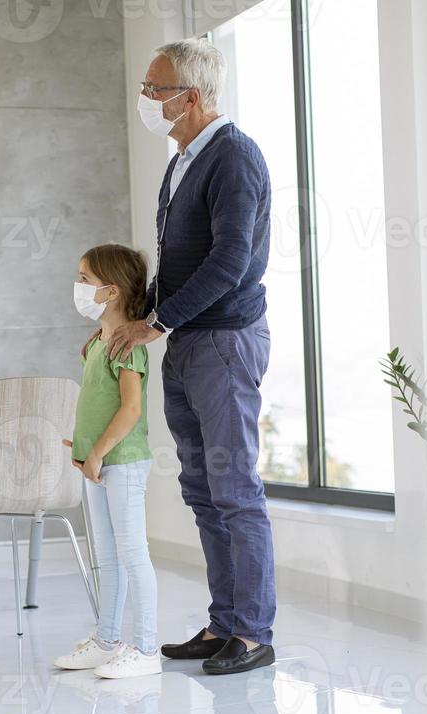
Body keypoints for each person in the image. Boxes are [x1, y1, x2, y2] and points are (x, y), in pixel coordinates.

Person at [104, 38, 277, 676]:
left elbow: (231, 262)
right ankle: (224, 623)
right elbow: (178, 260)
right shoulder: (183, 160)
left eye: (156, 88)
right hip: (185, 340)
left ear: (192, 96)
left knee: (235, 490)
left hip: (224, 343)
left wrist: (159, 322)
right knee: (202, 487)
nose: (146, 99)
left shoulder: (234, 157)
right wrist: (128, 318)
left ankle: (253, 633)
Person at [56, 245, 162, 680]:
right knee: (106, 556)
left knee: (133, 552)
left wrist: (98, 451)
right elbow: (98, 404)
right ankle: (107, 639)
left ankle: (147, 648)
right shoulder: (98, 344)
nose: (77, 286)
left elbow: (131, 409)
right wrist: (85, 447)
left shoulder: (126, 345)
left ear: (111, 291)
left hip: (120, 463)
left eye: (85, 278)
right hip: (95, 464)